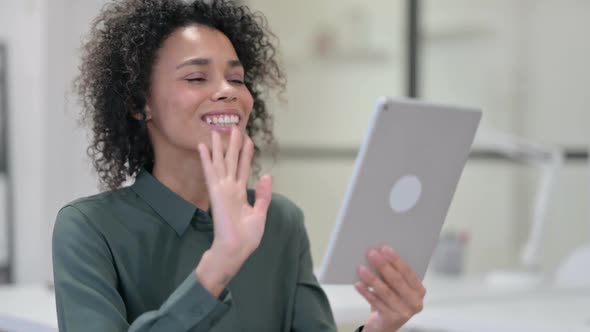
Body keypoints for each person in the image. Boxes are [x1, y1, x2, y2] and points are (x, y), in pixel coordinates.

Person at [51, 0, 426, 331]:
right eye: (197, 77)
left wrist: (381, 325)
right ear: (139, 103)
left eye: (236, 78)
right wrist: (222, 260)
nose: (228, 91)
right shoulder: (88, 229)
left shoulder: (280, 221)